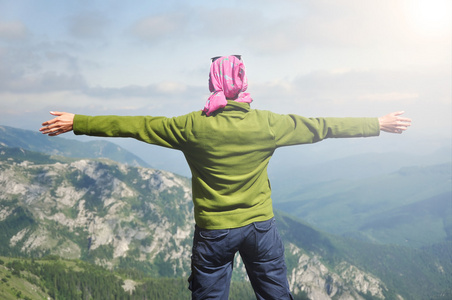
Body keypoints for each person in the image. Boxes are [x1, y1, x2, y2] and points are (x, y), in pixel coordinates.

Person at [40, 55, 411, 300]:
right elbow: (322, 126)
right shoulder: (267, 124)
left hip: (215, 231)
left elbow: (136, 126)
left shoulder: (191, 126)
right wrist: (377, 123)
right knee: (276, 295)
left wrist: (78, 122)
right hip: (260, 228)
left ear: (212, 83)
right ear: (241, 82)